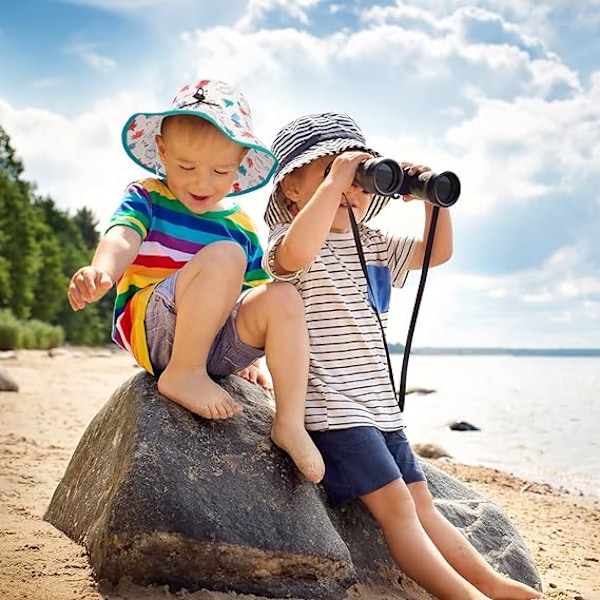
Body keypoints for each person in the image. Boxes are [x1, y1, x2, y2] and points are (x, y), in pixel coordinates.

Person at [263, 112, 545, 600]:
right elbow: (294, 256)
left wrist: (431, 200)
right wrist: (335, 182)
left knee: (423, 505)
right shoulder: (287, 244)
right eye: (333, 172)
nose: (352, 188)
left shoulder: (374, 243)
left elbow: (436, 253)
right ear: (291, 188)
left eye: (361, 180)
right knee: (396, 507)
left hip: (380, 406)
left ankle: (489, 583)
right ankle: (464, 597)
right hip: (334, 409)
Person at [66, 80, 324, 484]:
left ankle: (289, 421)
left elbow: (252, 296)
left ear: (240, 164)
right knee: (226, 256)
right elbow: (122, 236)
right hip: (158, 326)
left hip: (214, 343)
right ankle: (183, 373)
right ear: (163, 152)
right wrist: (103, 270)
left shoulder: (238, 223)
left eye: (220, 171)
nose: (202, 183)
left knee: (283, 295)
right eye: (187, 167)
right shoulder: (148, 196)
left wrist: (251, 360)